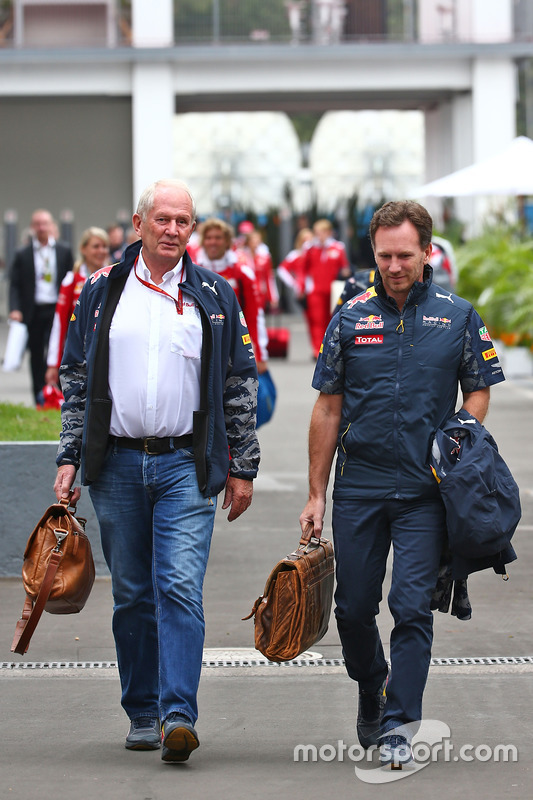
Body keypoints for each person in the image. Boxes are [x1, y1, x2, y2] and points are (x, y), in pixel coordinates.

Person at [53, 179, 260, 763]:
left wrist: (241, 465)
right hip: (115, 464)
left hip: (185, 464)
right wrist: (69, 456)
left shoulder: (215, 295)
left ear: (192, 230)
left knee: (178, 586)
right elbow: (75, 380)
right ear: (138, 224)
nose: (173, 230)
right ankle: (141, 710)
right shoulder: (100, 292)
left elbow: (237, 384)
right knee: (133, 594)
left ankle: (177, 714)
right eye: (163, 219)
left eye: (184, 221)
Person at [299, 200, 505, 768]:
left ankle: (398, 723)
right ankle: (372, 684)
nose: (394, 265)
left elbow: (479, 385)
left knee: (411, 607)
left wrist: (462, 435)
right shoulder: (349, 317)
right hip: (360, 487)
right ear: (374, 253)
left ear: (427, 253)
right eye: (385, 255)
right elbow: (327, 408)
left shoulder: (458, 315)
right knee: (352, 608)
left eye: (405, 255)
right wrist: (317, 493)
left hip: (425, 493)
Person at [8, 208, 73, 404]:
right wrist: (15, 308)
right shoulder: (23, 253)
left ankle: (59, 394)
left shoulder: (63, 251)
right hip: (33, 309)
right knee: (36, 353)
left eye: (45, 223)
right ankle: (39, 397)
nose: (41, 228)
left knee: (58, 351)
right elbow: (15, 284)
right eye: (37, 224)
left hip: (56, 308)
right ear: (32, 228)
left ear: (51, 225)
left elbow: (70, 278)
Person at [195, 217, 269, 373]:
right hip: (199, 350)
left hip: (234, 349)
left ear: (228, 241)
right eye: (208, 238)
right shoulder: (192, 272)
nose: (213, 242)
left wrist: (260, 354)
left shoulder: (242, 273)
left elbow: (254, 316)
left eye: (218, 238)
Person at [45, 226, 110, 388]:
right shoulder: (71, 280)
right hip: (78, 355)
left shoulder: (115, 277)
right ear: (83, 249)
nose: (101, 251)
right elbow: (59, 323)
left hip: (108, 353)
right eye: (96, 246)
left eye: (104, 246)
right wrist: (53, 363)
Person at [300, 218, 351, 358]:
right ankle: (317, 350)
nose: (319, 235)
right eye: (317, 232)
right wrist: (301, 287)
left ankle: (330, 348)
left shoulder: (338, 247)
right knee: (317, 320)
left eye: (321, 232)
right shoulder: (310, 248)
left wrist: (344, 273)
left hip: (333, 290)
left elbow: (345, 267)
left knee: (332, 320)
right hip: (315, 290)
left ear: (329, 232)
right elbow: (302, 269)